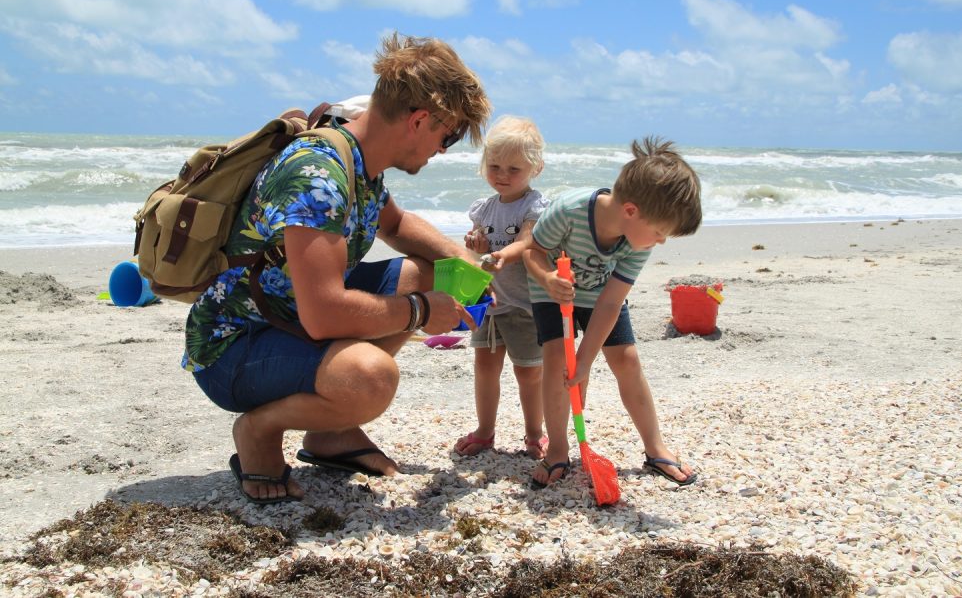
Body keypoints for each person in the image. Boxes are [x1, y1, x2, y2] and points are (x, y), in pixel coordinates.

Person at [182, 32, 492, 504]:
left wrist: (466, 260)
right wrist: (421, 312)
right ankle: (258, 431)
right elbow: (324, 315)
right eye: (445, 136)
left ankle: (332, 433)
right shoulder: (320, 175)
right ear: (420, 120)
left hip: (285, 319)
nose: (442, 149)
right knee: (371, 377)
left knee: (427, 271)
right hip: (235, 348)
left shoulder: (359, 160)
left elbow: (398, 224)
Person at [523, 136, 702, 489]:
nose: (660, 242)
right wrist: (547, 278)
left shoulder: (637, 241)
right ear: (632, 211)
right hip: (553, 293)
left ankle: (655, 448)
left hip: (600, 297)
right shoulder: (568, 211)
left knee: (627, 360)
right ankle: (558, 448)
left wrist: (587, 359)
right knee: (559, 359)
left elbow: (610, 301)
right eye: (661, 233)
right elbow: (533, 251)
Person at [453, 116, 549, 460]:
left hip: (524, 305)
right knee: (485, 368)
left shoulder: (533, 206)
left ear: (535, 169)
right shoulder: (484, 208)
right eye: (494, 166)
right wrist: (475, 245)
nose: (502, 176)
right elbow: (474, 252)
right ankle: (485, 431)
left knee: (528, 372)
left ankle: (535, 433)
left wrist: (499, 255)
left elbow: (526, 243)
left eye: (513, 169)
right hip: (490, 303)